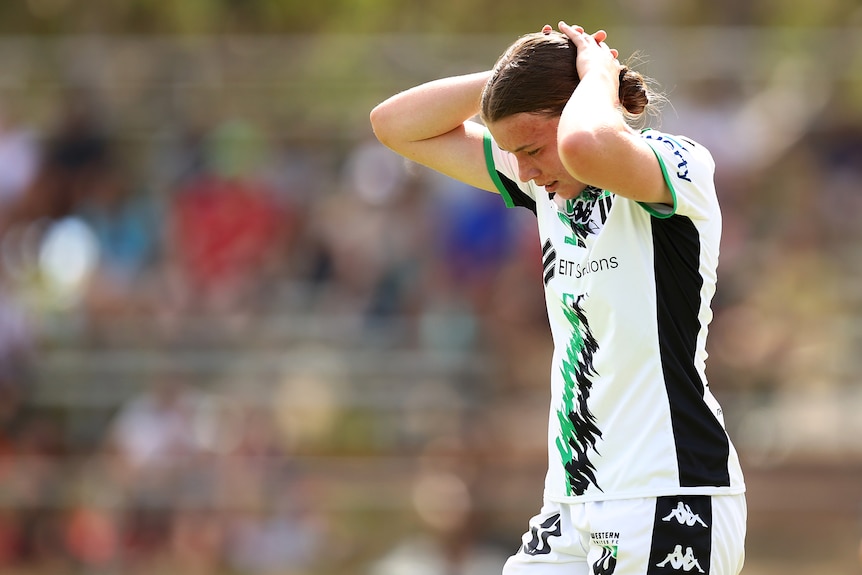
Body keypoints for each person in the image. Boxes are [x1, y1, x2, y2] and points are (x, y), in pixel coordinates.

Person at [370, 20, 747, 575]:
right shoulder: (549, 182)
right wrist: (512, 78)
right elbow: (395, 125)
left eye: (529, 149)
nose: (522, 171)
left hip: (670, 496)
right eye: (510, 154)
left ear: (581, 105)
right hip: (574, 506)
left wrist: (595, 71)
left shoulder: (676, 164)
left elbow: (584, 144)